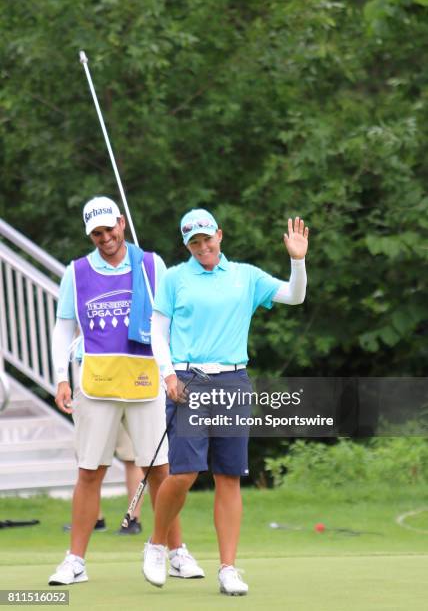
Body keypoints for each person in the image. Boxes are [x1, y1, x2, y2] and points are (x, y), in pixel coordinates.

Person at [143, 208, 309, 595]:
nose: (202, 246)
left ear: (219, 234)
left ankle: (228, 568)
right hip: (188, 379)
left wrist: (297, 260)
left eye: (207, 238)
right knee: (183, 474)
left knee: (229, 476)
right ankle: (156, 544)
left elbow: (294, 296)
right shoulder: (175, 278)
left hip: (233, 380)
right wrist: (167, 373)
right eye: (194, 242)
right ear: (187, 244)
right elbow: (157, 330)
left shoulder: (245, 276)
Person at [48, 196, 203, 585]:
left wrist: (173, 370)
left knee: (161, 472)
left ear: (122, 223)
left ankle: (176, 552)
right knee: (89, 471)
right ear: (91, 234)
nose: (106, 238)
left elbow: (168, 321)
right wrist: (60, 378)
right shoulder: (77, 271)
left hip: (146, 379)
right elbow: (63, 327)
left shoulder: (151, 265)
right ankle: (75, 561)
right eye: (97, 233)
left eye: (110, 229)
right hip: (97, 381)